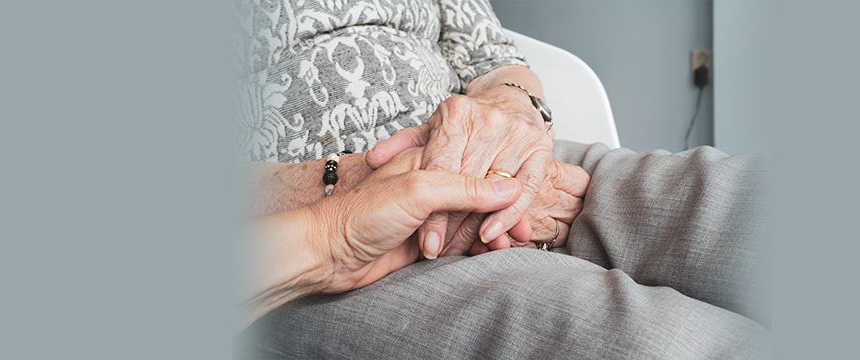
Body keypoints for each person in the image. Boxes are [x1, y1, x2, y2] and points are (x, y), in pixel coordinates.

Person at [240, 0, 769, 358]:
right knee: (661, 344)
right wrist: (349, 185)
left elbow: (494, 59)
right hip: (301, 228)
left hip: (490, 153)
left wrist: (510, 111)